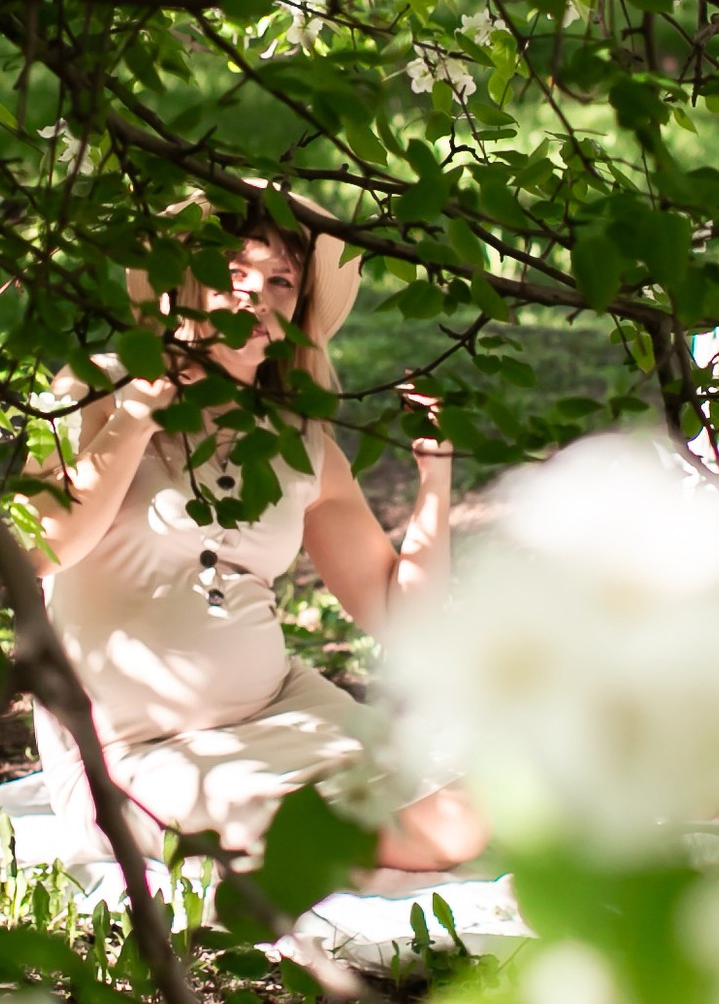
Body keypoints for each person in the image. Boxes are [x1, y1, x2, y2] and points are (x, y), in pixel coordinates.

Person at [24, 216, 488, 881]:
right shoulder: (94, 389)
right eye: (232, 275)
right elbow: (44, 552)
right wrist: (140, 410)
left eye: (279, 281)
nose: (254, 298)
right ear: (185, 288)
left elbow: (397, 615)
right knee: (414, 832)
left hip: (289, 710)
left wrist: (435, 472)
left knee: (451, 801)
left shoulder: (297, 440)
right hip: (142, 749)